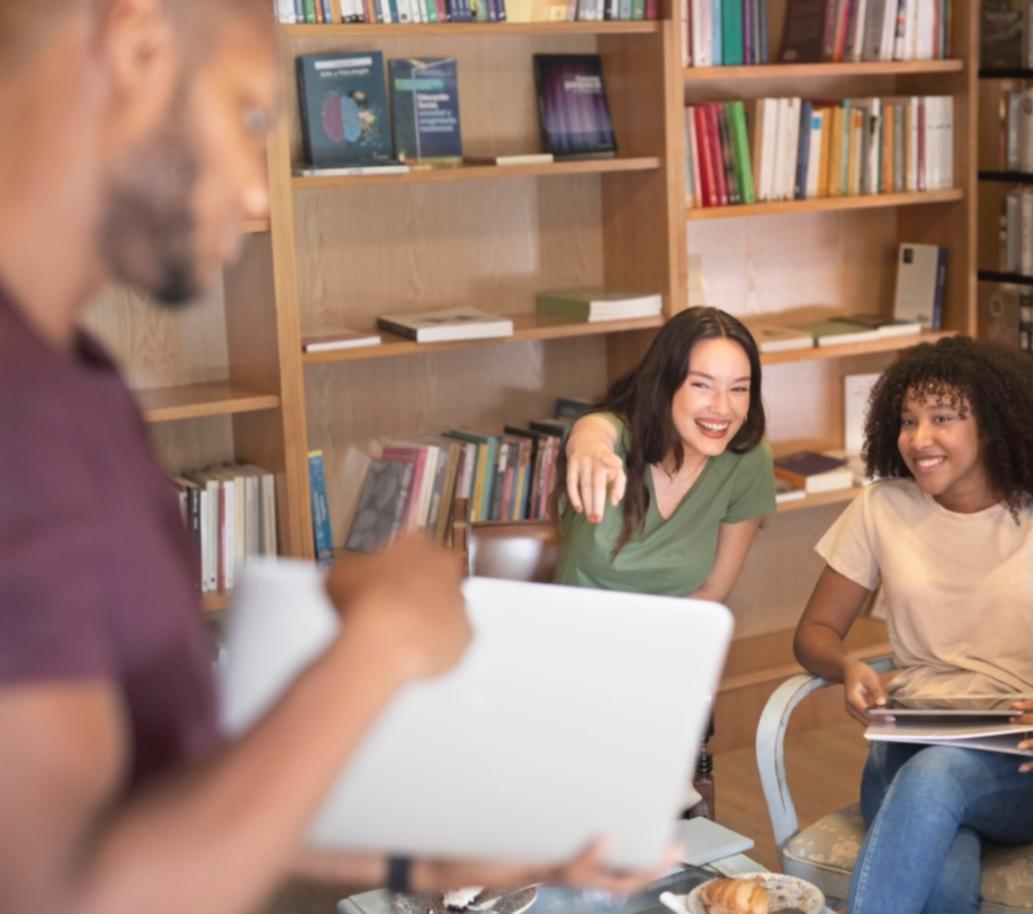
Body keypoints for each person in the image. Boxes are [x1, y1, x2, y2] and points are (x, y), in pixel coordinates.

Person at [0, 5, 664, 914]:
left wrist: (415, 864)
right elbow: (65, 897)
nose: (259, 192)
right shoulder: (19, 414)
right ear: (138, 44)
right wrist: (378, 643)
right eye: (250, 116)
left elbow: (160, 810)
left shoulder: (78, 383)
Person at [791, 337, 1033, 914]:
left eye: (942, 420)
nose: (918, 439)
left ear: (995, 425)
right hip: (903, 750)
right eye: (908, 421)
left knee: (938, 778)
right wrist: (846, 665)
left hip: (1026, 760)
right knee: (947, 873)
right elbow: (814, 634)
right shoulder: (880, 508)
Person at [555, 306, 775, 601]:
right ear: (665, 385)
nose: (723, 408)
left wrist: (658, 644)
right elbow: (593, 431)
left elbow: (713, 591)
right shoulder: (618, 439)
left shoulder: (748, 460)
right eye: (701, 385)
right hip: (573, 634)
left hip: (671, 640)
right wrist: (589, 448)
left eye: (738, 389)